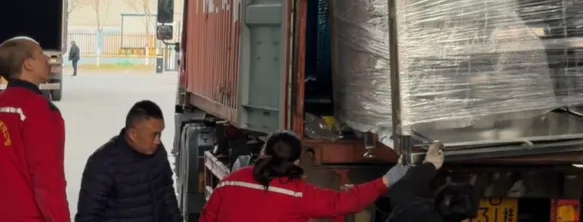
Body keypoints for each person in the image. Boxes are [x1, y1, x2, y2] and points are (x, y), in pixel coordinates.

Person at [199, 130, 407, 222]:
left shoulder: (231, 182)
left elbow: (207, 218)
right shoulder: (296, 194)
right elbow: (344, 203)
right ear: (297, 162)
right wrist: (391, 177)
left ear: (263, 152)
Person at [0, 36, 70, 222]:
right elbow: (48, 180)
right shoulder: (40, 111)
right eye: (40, 54)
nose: (47, 59)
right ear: (28, 64)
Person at [76, 100, 182, 222]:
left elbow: (167, 195)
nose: (158, 141)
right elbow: (88, 217)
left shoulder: (158, 153)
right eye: (154, 135)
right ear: (132, 134)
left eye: (160, 134)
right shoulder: (102, 163)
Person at [387, 142, 478, 222]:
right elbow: (400, 193)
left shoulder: (413, 210)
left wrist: (431, 165)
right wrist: (430, 166)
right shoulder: (413, 209)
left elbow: (401, 191)